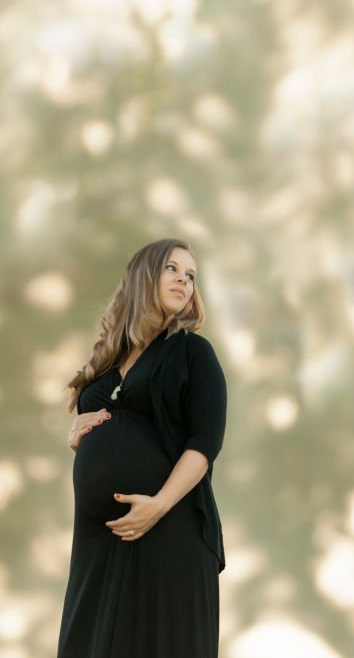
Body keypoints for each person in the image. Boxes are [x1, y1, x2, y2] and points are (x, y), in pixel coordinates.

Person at [57, 238, 227, 658]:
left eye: (190, 276)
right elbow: (112, 437)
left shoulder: (192, 353)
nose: (183, 281)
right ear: (142, 276)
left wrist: (158, 505)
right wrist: (79, 437)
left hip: (169, 528)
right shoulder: (107, 363)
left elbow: (206, 443)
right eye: (172, 269)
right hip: (101, 540)